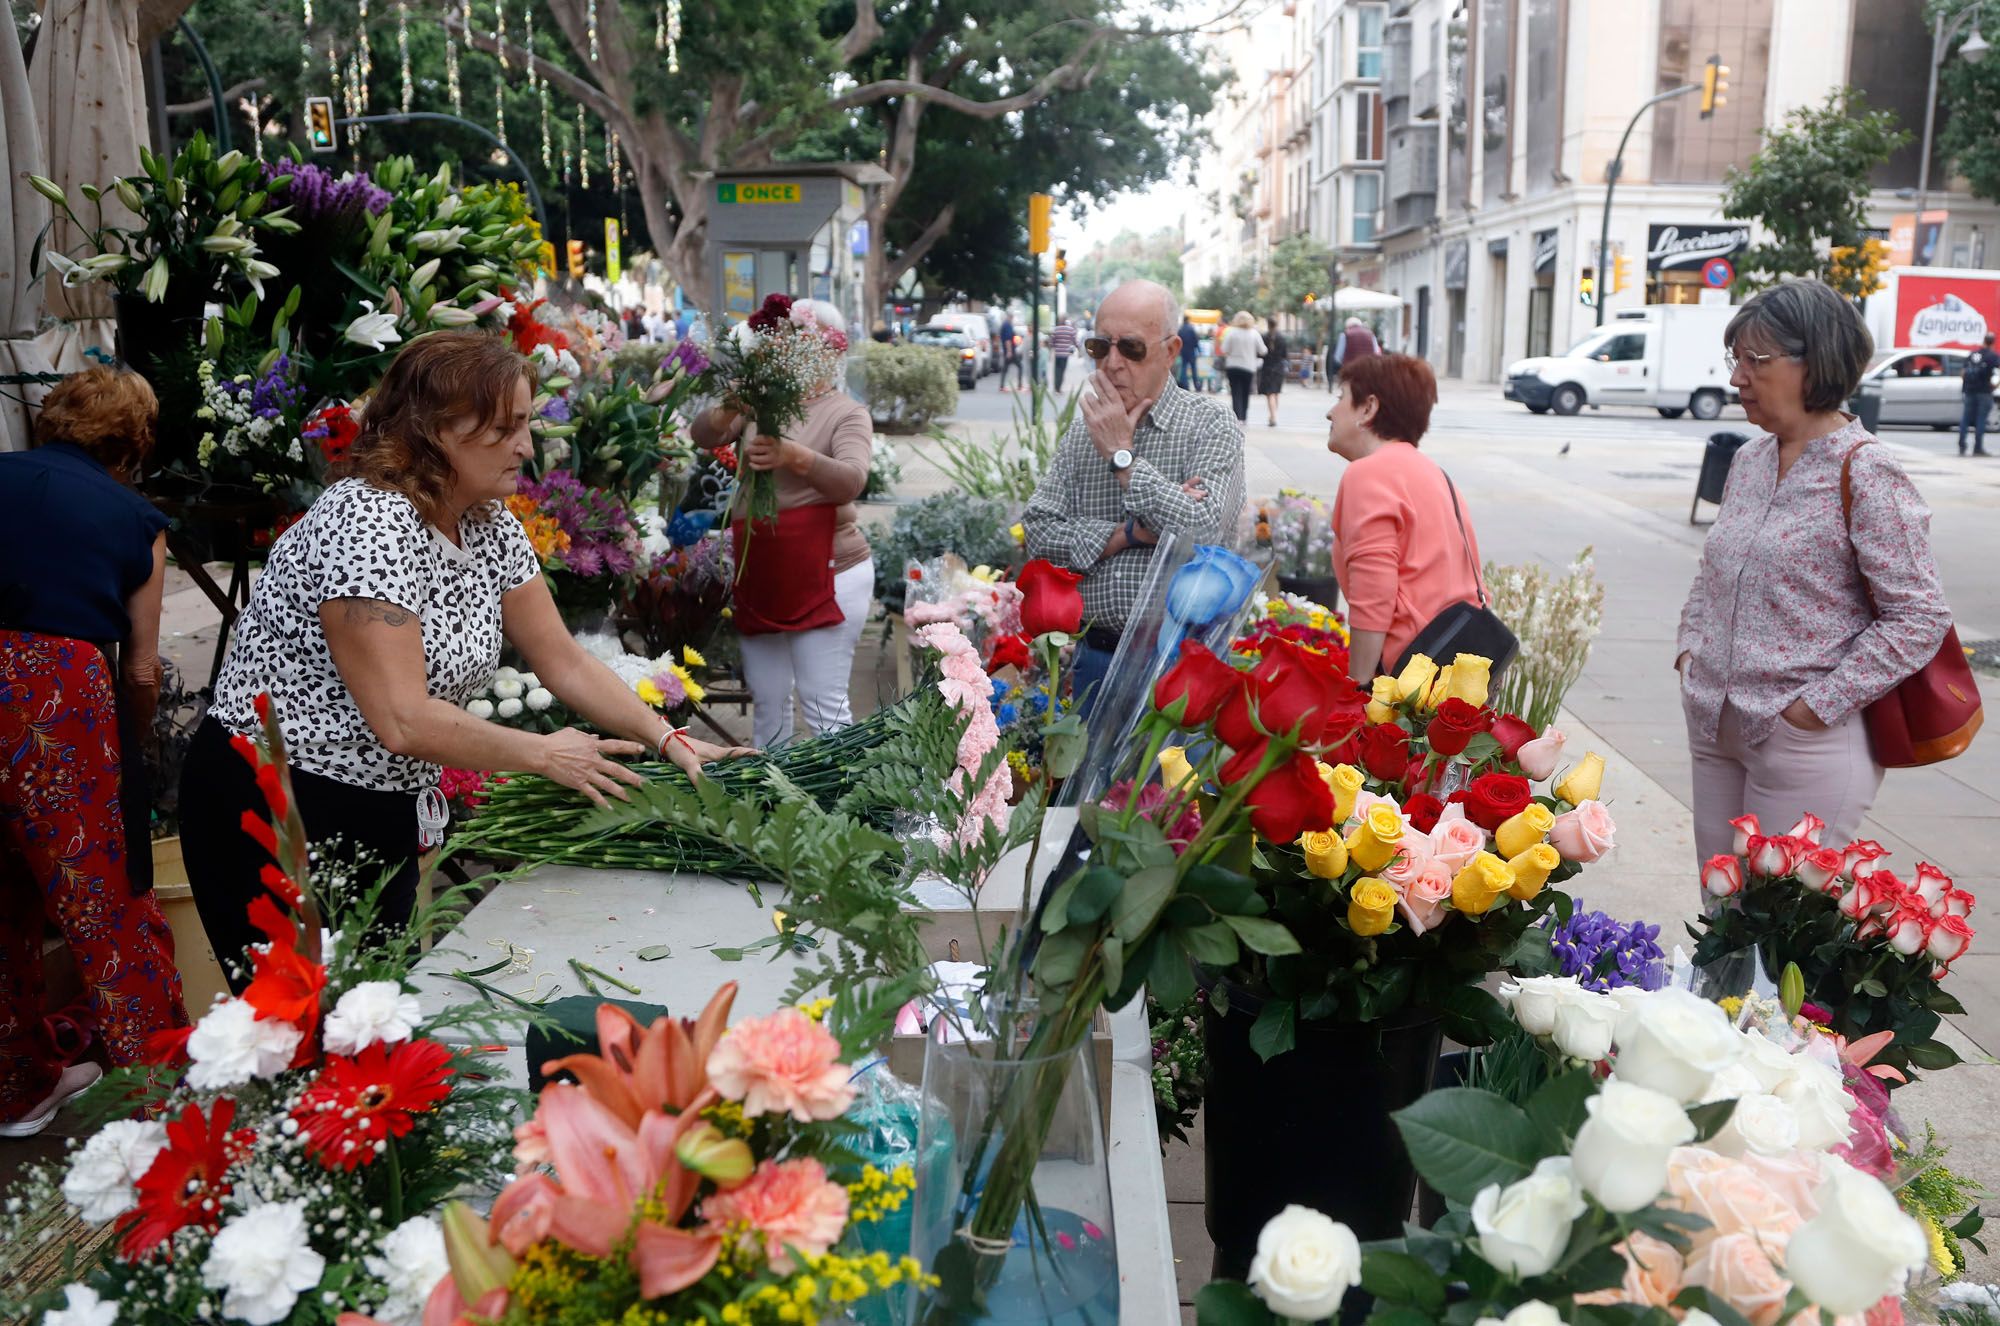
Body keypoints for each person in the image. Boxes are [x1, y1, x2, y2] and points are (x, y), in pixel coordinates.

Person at [182, 333, 750, 988]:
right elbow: (400, 718)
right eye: (506, 428)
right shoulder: (368, 522)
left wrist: (664, 737)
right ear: (433, 431)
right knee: (308, 1037)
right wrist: (544, 753)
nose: (527, 447)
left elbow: (561, 659)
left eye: (527, 425)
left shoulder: (488, 522)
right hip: (279, 803)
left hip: (377, 802)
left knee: (371, 1023)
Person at [1677, 279, 1954, 866]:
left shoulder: (1869, 472)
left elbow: (1920, 615)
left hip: (1800, 742)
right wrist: (1691, 651)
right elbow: (1713, 572)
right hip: (1714, 722)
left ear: (1816, 363)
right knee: (1719, 917)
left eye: (1756, 360)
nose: (1737, 378)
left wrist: (1813, 709)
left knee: (1778, 933)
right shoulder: (1751, 459)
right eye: (1736, 360)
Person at [0, 367, 188, 1135]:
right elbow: (140, 668)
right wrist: (133, 737)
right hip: (51, 692)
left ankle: (17, 1086)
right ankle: (163, 1102)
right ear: (135, 441)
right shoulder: (136, 518)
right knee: (103, 896)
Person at [1024, 280, 1246, 712]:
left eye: (1131, 348)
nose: (1112, 363)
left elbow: (1203, 531)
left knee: (1171, 781)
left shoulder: (1209, 424)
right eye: (1099, 347)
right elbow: (1038, 532)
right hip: (1096, 659)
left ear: (1170, 350)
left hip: (1180, 665)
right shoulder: (1083, 430)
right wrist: (1128, 534)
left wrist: (1122, 459)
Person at [690, 300, 875, 750]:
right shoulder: (759, 402)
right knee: (769, 701)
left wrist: (796, 456)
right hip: (764, 572)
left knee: (822, 703)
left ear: (829, 352)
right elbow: (703, 434)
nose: (786, 349)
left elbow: (851, 480)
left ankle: (840, 808)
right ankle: (776, 805)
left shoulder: (846, 412)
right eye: (782, 342)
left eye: (799, 342)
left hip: (829, 573)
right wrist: (736, 399)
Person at [1325, 353, 1487, 683]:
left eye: (1341, 397)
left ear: (1368, 408)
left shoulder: (1368, 474)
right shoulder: (1436, 474)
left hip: (1407, 683)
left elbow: (1374, 599)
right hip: (1455, 673)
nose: (1330, 411)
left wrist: (1357, 693)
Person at [1219, 311, 1266, 424]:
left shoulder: (1231, 333)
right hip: (1248, 367)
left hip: (1233, 366)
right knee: (1245, 392)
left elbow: (1224, 349)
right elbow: (1263, 350)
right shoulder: (1254, 333)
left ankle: (1237, 416)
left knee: (1235, 391)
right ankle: (1244, 417)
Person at [1957, 332, 1999, 457]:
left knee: (1965, 418)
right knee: (1981, 420)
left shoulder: (1973, 354)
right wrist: (1996, 385)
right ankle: (1978, 447)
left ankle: (1962, 445)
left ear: (1984, 341)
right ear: (1993, 342)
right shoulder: (1993, 356)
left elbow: (1963, 373)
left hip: (1970, 391)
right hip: (1985, 391)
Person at [1259, 316, 1290, 428]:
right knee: (1275, 393)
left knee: (1270, 394)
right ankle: (1273, 415)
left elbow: (1260, 353)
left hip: (1268, 367)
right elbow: (1285, 355)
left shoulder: (1264, 337)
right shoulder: (1282, 338)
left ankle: (1273, 416)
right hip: (1279, 367)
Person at [1048, 317, 1080, 392]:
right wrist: (1079, 349)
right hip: (1065, 354)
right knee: (1062, 371)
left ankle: (1056, 387)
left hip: (1057, 353)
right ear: (1065, 321)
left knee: (1056, 371)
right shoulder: (1070, 330)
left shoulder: (1056, 329)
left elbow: (1051, 342)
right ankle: (1059, 388)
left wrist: (1053, 347)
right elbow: (1075, 341)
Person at [998, 313, 1024, 391]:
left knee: (1005, 369)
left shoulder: (1004, 325)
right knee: (1020, 367)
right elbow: (1008, 340)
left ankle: (1002, 386)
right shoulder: (1008, 326)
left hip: (1007, 350)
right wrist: (1009, 351)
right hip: (1010, 351)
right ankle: (1019, 385)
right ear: (1010, 317)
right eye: (1012, 318)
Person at [1176, 314, 1200, 389]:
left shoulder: (1180, 329)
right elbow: (1196, 340)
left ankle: (1185, 385)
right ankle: (1196, 385)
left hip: (1183, 351)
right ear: (1188, 320)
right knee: (1194, 369)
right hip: (1191, 351)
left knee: (1183, 368)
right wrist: (1198, 349)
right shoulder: (1191, 329)